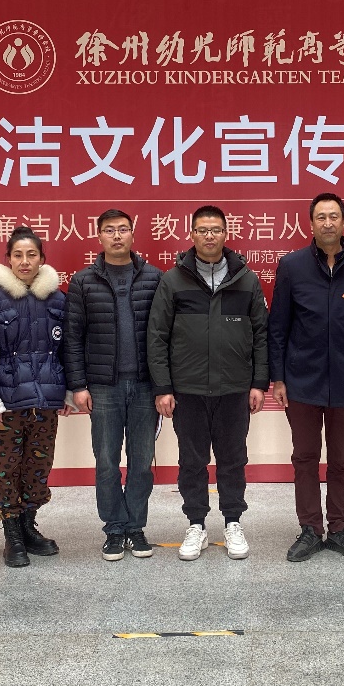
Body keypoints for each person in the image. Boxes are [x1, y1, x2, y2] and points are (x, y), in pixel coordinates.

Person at [146, 205, 269, 562]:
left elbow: (261, 335)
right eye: (202, 230)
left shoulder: (246, 279)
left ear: (226, 234)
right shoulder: (173, 280)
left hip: (234, 387)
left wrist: (258, 382)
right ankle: (196, 524)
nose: (209, 236)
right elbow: (157, 337)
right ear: (192, 235)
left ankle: (233, 521)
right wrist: (163, 387)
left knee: (233, 459)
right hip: (188, 389)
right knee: (192, 460)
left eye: (216, 229)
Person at [270, 192, 344, 563]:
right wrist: (278, 378)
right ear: (311, 223)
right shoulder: (292, 266)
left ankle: (339, 528)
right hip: (302, 380)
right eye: (321, 217)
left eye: (334, 216)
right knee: (304, 456)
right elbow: (278, 326)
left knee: (342, 460)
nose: (328, 223)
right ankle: (309, 529)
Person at [0, 227, 70, 568]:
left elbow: (68, 349)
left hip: (45, 404)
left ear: (42, 259)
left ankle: (29, 527)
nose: (25, 261)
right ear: (8, 260)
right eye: (18, 255)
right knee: (6, 468)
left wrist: (67, 390)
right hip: (6, 405)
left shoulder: (56, 299)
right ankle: (11, 534)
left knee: (37, 467)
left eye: (31, 255)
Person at [66, 209, 163, 562]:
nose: (117, 235)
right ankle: (114, 528)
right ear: (99, 236)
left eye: (123, 229)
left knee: (141, 462)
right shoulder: (83, 281)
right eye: (109, 230)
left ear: (133, 234)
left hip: (145, 386)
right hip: (103, 386)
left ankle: (135, 527)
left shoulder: (155, 278)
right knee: (106, 461)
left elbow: (164, 335)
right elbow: (73, 337)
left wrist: (164, 385)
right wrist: (78, 385)